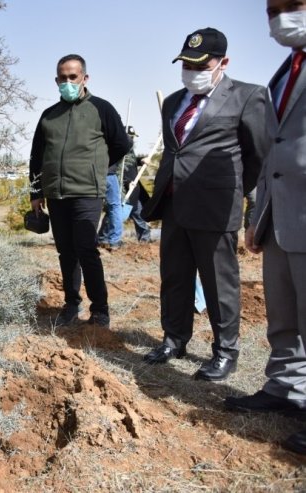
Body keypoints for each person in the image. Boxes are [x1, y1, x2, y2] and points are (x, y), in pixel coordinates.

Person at [141, 28, 270, 381]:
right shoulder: (173, 102)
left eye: (201, 63)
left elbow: (259, 157)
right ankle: (174, 338)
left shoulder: (249, 96)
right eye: (186, 63)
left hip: (216, 207)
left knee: (219, 283)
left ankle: (225, 351)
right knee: (175, 277)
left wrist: (243, 201)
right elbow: (175, 150)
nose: (191, 70)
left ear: (223, 62)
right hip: (174, 204)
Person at [225, 0, 306, 455]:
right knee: (284, 313)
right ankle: (285, 388)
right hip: (279, 214)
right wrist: (258, 216)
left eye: (292, 5)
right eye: (272, 8)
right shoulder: (285, 69)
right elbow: (272, 151)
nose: (280, 17)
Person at [29, 54, 131, 329]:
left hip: (87, 191)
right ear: (56, 80)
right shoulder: (49, 116)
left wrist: (97, 167)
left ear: (85, 78)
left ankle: (100, 310)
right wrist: (35, 193)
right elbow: (36, 156)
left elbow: (122, 144)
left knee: (87, 249)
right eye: (62, 77)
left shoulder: (101, 109)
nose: (67, 82)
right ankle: (71, 305)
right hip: (56, 194)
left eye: (72, 77)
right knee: (66, 252)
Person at [97, 133, 125, 250]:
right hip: (109, 174)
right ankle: (114, 240)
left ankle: (99, 239)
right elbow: (126, 143)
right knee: (115, 207)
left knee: (92, 206)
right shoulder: (112, 135)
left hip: (93, 173)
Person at [124, 154, 153, 243]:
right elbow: (115, 171)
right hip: (123, 192)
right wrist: (127, 182)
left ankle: (145, 241)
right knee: (115, 217)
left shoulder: (128, 152)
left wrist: (141, 160)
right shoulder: (114, 153)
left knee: (140, 218)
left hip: (134, 192)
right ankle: (105, 239)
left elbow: (131, 162)